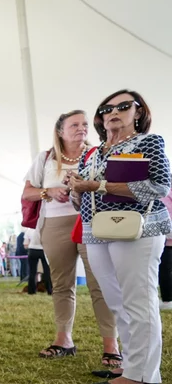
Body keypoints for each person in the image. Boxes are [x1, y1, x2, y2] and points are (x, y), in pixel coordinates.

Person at [69, 89, 169, 384]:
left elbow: (160, 186)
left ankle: (145, 375)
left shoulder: (149, 142)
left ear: (138, 112)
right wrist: (75, 189)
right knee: (116, 301)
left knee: (139, 299)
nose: (113, 112)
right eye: (105, 109)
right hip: (96, 230)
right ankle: (130, 364)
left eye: (123, 106)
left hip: (138, 229)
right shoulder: (93, 151)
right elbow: (83, 199)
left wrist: (96, 185)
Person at [22, 110, 118, 362]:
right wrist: (49, 191)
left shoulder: (99, 154)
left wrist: (82, 186)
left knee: (100, 283)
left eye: (85, 124)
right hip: (54, 224)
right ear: (60, 131)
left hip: (90, 222)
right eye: (74, 124)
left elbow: (112, 187)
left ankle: (112, 345)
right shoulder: (45, 158)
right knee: (62, 284)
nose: (81, 128)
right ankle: (63, 340)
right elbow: (27, 192)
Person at [25, 221, 52, 295]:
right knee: (47, 271)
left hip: (32, 250)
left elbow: (25, 243)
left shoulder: (29, 230)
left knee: (32, 272)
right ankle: (50, 290)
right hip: (44, 250)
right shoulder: (46, 228)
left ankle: (31, 290)